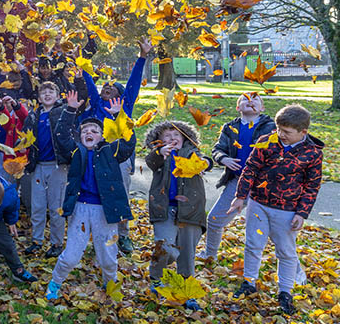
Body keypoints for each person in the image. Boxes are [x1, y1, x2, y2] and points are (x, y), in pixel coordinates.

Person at [229, 104, 323, 315]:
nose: (281, 135)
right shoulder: (267, 142)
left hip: (287, 210)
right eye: (279, 129)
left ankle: (285, 292)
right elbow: (250, 169)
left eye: (287, 132)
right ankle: (248, 282)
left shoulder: (312, 153)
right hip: (259, 204)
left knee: (286, 252)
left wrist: (302, 213)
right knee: (253, 244)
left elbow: (312, 186)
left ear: (303, 132)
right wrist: (240, 197)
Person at [45, 92, 135, 299]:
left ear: (102, 136)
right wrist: (69, 110)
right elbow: (60, 137)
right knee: (71, 255)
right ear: (80, 135)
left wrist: (118, 116)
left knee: (107, 256)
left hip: (106, 211)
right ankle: (55, 283)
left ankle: (109, 285)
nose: (90, 132)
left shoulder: (110, 151)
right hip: (80, 209)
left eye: (95, 130)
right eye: (85, 130)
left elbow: (128, 144)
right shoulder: (76, 151)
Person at [79, 38, 151, 255]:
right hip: (98, 158)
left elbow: (134, 83)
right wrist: (81, 63)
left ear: (119, 94)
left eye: (112, 88)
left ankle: (124, 235)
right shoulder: (97, 106)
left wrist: (142, 57)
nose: (106, 89)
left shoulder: (125, 106)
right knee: (97, 193)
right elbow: (90, 83)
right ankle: (99, 236)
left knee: (120, 194)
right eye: (105, 87)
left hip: (120, 158)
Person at [144, 120, 212, 311]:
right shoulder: (159, 156)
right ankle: (157, 280)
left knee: (187, 255)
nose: (172, 139)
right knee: (164, 248)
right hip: (164, 208)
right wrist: (160, 153)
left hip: (190, 210)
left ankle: (186, 293)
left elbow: (206, 161)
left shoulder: (192, 154)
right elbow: (151, 162)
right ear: (159, 140)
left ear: (185, 138)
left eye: (176, 135)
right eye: (167, 136)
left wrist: (206, 162)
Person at [199, 92, 275, 260]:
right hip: (238, 182)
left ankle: (291, 267)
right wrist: (223, 158)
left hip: (266, 186)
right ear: (238, 107)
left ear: (262, 107)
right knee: (214, 219)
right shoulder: (229, 127)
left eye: (255, 98)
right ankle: (209, 254)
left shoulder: (271, 127)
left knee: (274, 229)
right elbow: (217, 149)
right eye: (245, 99)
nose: (250, 100)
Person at [21, 81, 75, 259]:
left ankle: (57, 243)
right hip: (38, 165)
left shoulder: (62, 112)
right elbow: (24, 137)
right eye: (43, 92)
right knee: (37, 206)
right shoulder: (34, 116)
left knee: (56, 207)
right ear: (38, 97)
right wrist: (21, 147)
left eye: (51, 91)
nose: (47, 94)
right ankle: (36, 240)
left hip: (57, 166)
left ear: (58, 95)